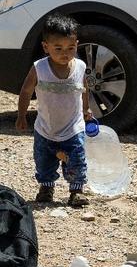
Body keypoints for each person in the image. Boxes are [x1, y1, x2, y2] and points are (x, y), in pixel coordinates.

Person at [15, 13, 93, 207]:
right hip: (45, 128)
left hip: (73, 128)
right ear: (46, 47)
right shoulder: (39, 68)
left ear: (77, 44)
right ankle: (46, 188)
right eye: (58, 48)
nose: (64, 53)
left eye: (71, 48)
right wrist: (21, 115)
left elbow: (84, 88)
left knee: (77, 159)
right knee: (44, 161)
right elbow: (26, 91)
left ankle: (76, 191)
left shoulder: (80, 66)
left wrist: (86, 109)